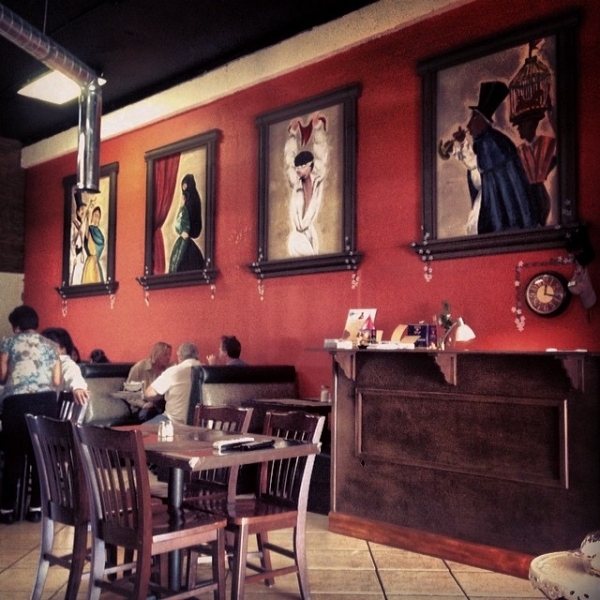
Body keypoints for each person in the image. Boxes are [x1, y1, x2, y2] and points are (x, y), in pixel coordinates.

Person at [0, 305, 61, 524]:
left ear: (16, 326)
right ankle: (35, 509)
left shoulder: (8, 342)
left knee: (13, 455)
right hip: (46, 404)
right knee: (40, 456)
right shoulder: (52, 346)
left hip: (16, 404)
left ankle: (7, 509)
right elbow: (56, 381)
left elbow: (2, 375)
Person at [466, 81, 537, 234]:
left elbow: (504, 192)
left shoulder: (494, 144)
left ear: (482, 121)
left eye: (474, 118)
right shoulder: (483, 144)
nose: (468, 125)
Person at [141, 342, 201, 425]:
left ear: (180, 356)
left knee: (140, 429)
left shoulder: (173, 371)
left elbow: (148, 393)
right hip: (201, 424)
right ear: (197, 355)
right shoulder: (207, 371)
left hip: (173, 422)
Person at [40, 327, 89, 405]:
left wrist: (78, 387)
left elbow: (74, 376)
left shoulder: (66, 364)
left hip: (53, 408)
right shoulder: (43, 363)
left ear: (63, 348)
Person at [125, 342, 172, 421]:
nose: (169, 357)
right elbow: (129, 393)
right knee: (149, 413)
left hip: (161, 405)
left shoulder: (169, 369)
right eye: (165, 355)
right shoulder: (140, 367)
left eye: (169, 354)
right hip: (142, 407)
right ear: (157, 354)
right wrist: (143, 404)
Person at [169, 174, 205, 273]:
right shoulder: (193, 199)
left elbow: (180, 223)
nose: (184, 189)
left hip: (185, 241)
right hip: (186, 240)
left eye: (185, 186)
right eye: (183, 186)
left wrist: (182, 206)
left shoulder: (190, 201)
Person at [81, 203, 106, 284]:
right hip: (90, 262)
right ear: (92, 216)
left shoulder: (100, 234)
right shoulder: (89, 229)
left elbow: (101, 245)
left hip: (96, 263)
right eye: (95, 215)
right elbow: (87, 237)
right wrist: (87, 217)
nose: (96, 218)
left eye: (98, 216)